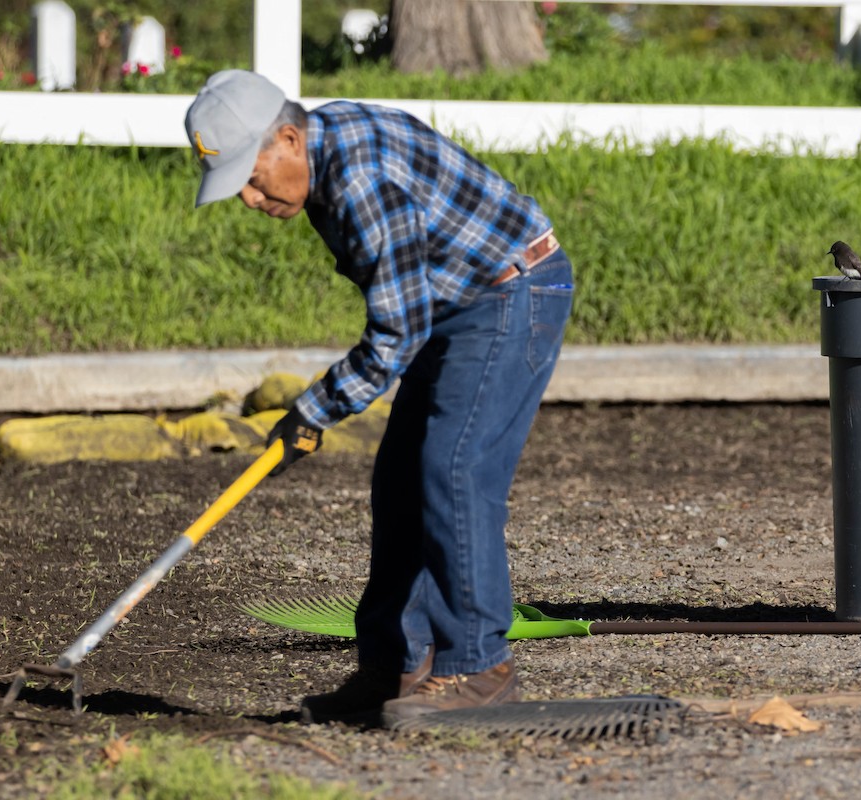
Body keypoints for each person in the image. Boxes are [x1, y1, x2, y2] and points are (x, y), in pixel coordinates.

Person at [184, 70, 573, 727]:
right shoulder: (323, 159)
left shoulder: (360, 179)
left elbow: (397, 333)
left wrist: (317, 407)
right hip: (452, 302)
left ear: (287, 137)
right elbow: (408, 311)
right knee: (400, 482)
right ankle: (395, 666)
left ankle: (478, 664)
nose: (250, 199)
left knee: (453, 470)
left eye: (251, 178)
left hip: (510, 294)